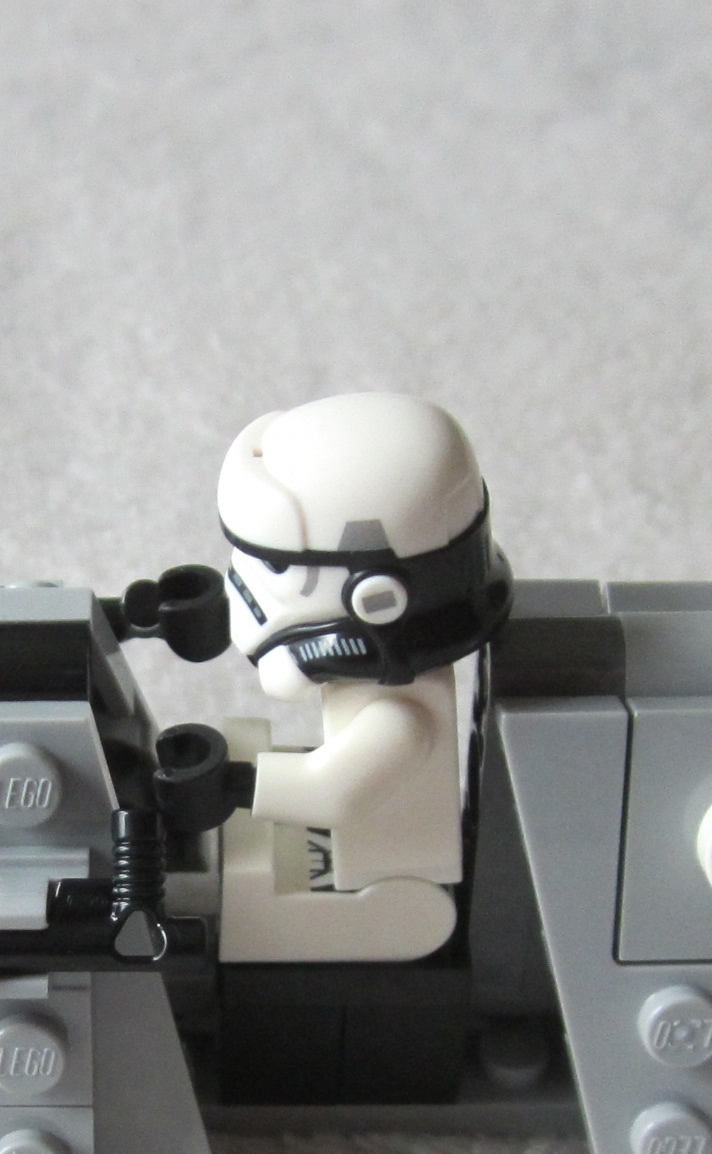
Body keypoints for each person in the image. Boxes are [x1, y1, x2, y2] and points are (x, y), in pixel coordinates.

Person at [207, 393, 512, 962]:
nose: (243, 587)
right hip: (357, 863)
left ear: (376, 598)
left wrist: (225, 785)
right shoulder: (377, 689)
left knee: (221, 911)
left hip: (396, 897)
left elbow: (329, 793)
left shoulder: (400, 717)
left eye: (275, 567)